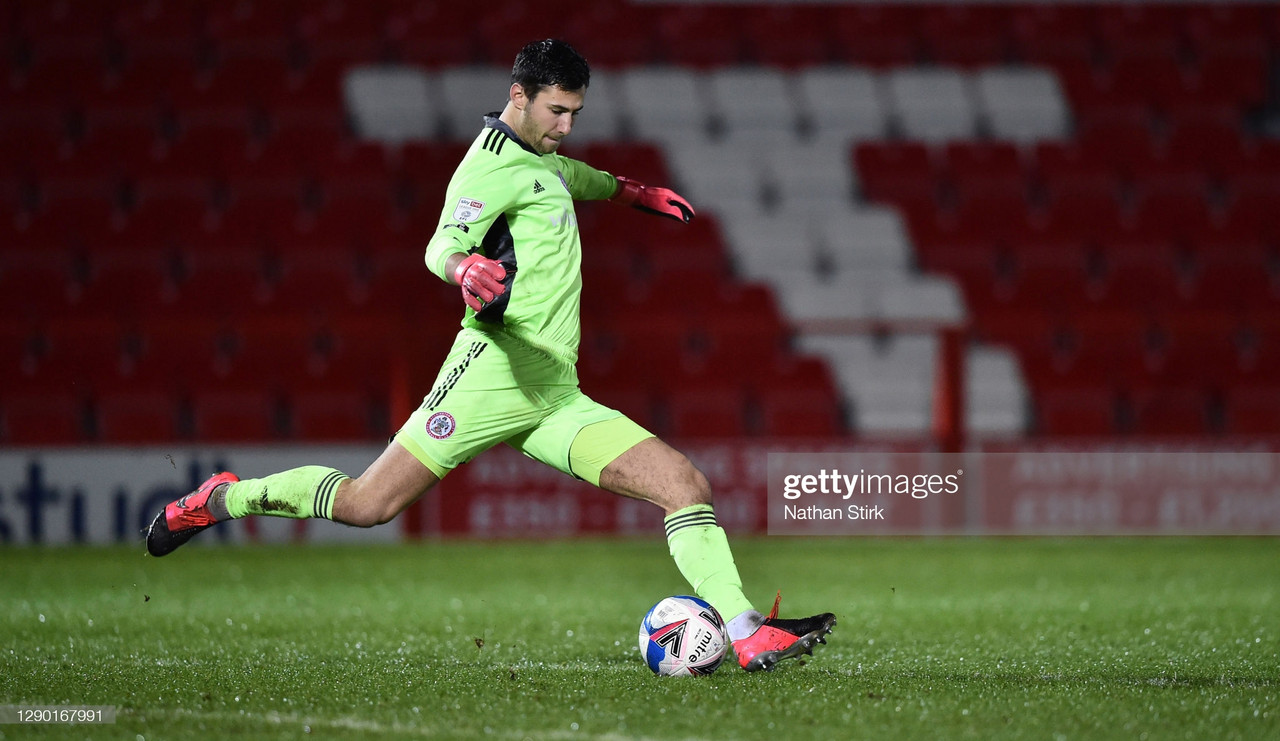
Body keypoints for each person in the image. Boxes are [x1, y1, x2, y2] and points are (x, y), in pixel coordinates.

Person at [146, 39, 835, 672]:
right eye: (557, 110)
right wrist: (461, 267)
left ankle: (746, 631)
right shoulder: (489, 165)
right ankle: (220, 498)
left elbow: (576, 175)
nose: (566, 124)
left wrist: (633, 193)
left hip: (555, 394)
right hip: (489, 373)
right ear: (518, 96)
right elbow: (440, 239)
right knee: (366, 505)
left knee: (684, 485)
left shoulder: (543, 159)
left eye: (576, 111)